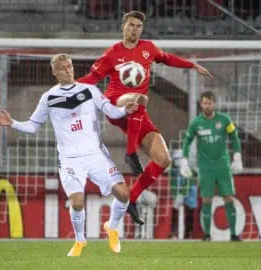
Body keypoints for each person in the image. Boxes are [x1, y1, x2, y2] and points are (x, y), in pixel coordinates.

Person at [0, 54, 139, 256]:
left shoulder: (89, 90)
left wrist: (124, 110)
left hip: (96, 155)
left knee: (124, 194)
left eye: (69, 66)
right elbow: (33, 126)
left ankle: (111, 227)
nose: (68, 70)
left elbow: (111, 112)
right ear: (55, 72)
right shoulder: (49, 97)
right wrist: (13, 123)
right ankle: (80, 241)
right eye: (63, 68)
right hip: (70, 159)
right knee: (77, 202)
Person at [78, 10, 213, 225]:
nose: (134, 30)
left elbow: (167, 58)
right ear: (123, 27)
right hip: (115, 103)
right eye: (131, 25)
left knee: (163, 160)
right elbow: (93, 77)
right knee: (138, 98)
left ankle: (130, 198)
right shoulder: (112, 53)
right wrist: (68, 88)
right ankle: (131, 154)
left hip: (138, 112)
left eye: (138, 26)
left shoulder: (148, 49)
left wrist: (192, 65)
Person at [180, 91, 243, 241]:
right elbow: (187, 141)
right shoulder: (196, 123)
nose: (207, 106)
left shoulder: (225, 120)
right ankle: (207, 235)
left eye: (210, 103)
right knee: (206, 199)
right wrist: (184, 160)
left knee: (228, 198)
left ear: (214, 104)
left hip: (222, 165)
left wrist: (237, 155)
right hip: (205, 166)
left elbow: (234, 138)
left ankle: (233, 234)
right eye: (205, 103)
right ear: (201, 104)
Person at [169, 149, 197, 239]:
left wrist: (182, 193)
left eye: (179, 159)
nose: (177, 161)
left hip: (190, 194)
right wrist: (175, 194)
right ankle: (174, 233)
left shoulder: (189, 170)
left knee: (189, 212)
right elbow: (172, 183)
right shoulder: (173, 171)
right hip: (178, 193)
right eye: (176, 159)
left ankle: (188, 234)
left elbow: (189, 183)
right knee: (175, 210)